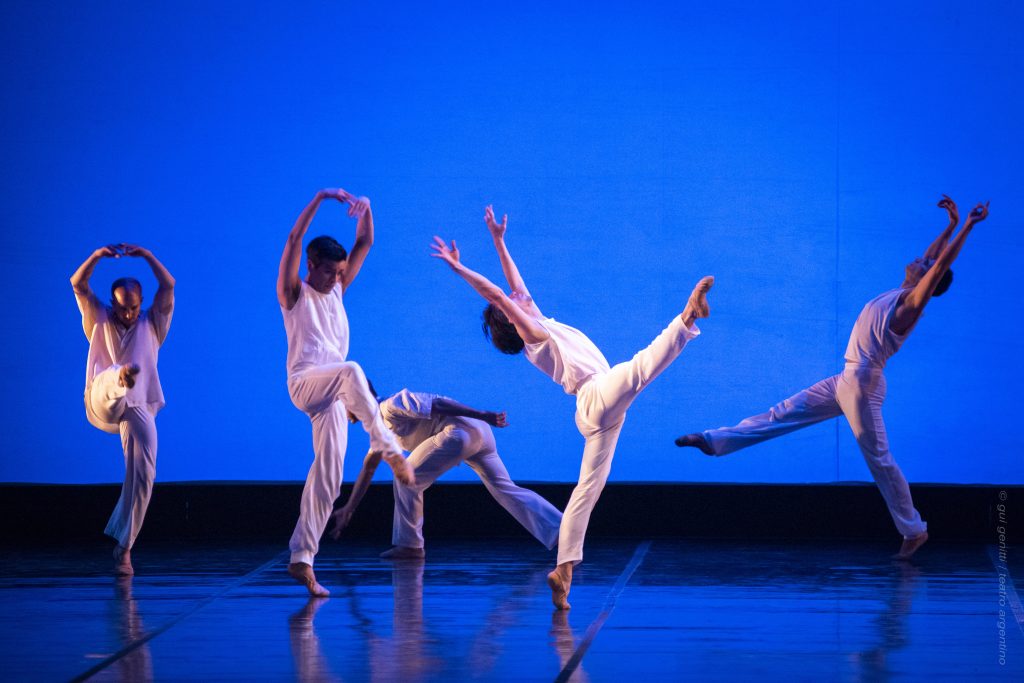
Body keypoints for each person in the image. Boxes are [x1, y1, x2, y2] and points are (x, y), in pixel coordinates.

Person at [676, 196, 989, 560]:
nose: (921, 258)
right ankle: (713, 441)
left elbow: (940, 265)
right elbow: (934, 259)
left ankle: (914, 531)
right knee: (782, 413)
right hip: (847, 379)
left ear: (928, 281)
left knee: (879, 460)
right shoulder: (900, 292)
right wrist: (950, 225)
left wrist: (968, 225)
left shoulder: (910, 305)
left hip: (862, 385)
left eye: (926, 264)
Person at [431, 205, 713, 609]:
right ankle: (687, 317)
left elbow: (513, 287)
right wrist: (459, 268)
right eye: (513, 304)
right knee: (638, 370)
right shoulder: (533, 334)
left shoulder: (537, 321)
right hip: (595, 395)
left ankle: (563, 572)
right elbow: (498, 294)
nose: (519, 294)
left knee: (588, 489)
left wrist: (498, 240)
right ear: (511, 319)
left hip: (596, 409)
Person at [278, 187, 413, 597]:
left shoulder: (337, 289)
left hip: (334, 395)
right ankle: (387, 446)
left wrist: (366, 207)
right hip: (305, 383)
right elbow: (294, 239)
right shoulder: (294, 294)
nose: (339, 278)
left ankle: (302, 558)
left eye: (341, 272)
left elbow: (365, 241)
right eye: (331, 271)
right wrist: (320, 198)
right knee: (352, 369)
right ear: (311, 266)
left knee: (330, 477)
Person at [329, 385, 563, 558]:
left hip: (461, 431)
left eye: (343, 407)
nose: (345, 417)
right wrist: (349, 508)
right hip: (477, 434)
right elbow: (369, 467)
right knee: (506, 489)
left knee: (407, 477)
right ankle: (565, 533)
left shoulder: (390, 406)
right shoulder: (380, 429)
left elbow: (438, 404)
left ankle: (410, 546)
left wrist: (484, 414)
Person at [71, 243, 175, 575]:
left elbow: (168, 286)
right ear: (111, 303)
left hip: (138, 404)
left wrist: (147, 256)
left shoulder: (153, 323)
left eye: (133, 308)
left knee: (144, 474)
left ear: (141, 303)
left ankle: (124, 547)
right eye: (121, 308)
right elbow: (78, 284)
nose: (128, 314)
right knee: (112, 377)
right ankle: (121, 376)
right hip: (101, 400)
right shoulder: (98, 318)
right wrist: (96, 257)